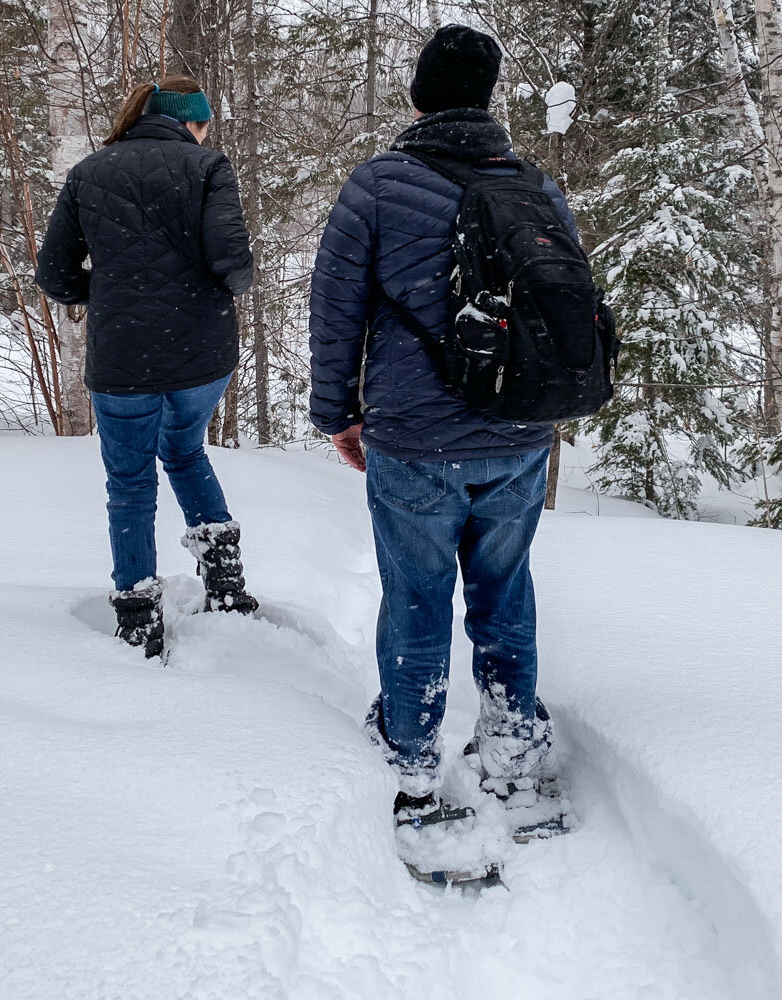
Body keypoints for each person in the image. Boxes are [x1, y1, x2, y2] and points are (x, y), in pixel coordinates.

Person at [308, 26, 583, 820]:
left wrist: (338, 414)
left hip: (417, 439)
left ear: (419, 94)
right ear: (488, 96)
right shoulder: (534, 183)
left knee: (418, 596)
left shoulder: (380, 186)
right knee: (504, 594)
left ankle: (412, 754)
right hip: (518, 433)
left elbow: (335, 311)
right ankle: (510, 756)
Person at [36, 74, 259, 660]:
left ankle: (138, 622)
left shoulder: (90, 172)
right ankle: (228, 586)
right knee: (185, 451)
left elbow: (55, 274)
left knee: (130, 485)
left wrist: (109, 291)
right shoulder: (209, 167)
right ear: (194, 122)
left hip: (122, 359)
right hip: (201, 356)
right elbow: (234, 265)